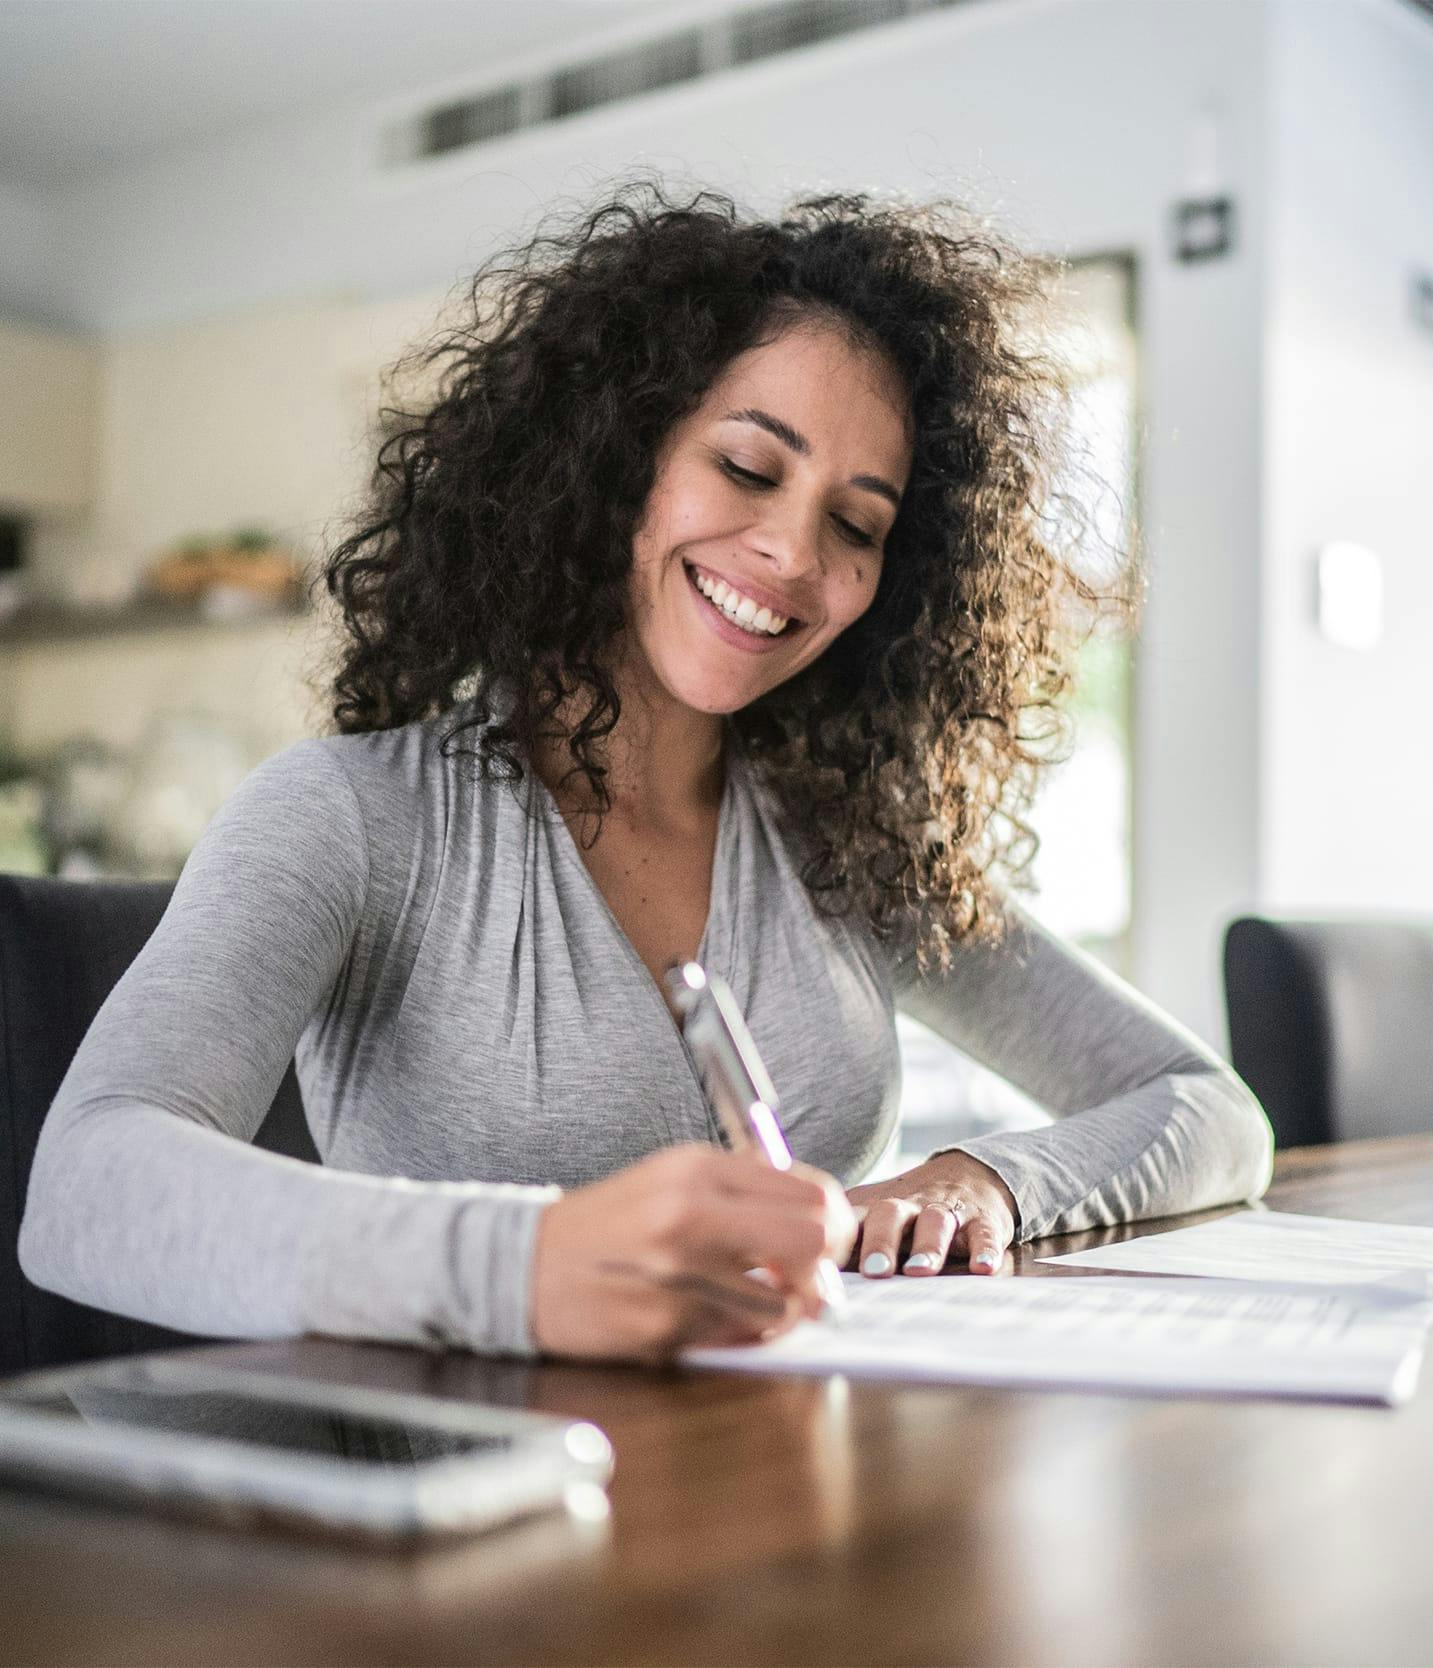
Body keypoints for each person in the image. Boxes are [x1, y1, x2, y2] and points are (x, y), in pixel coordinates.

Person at [19, 181, 1273, 1365]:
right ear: (616, 460)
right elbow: (84, 1186)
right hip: (471, 1539)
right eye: (745, 466)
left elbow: (1205, 1107)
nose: (789, 551)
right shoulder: (351, 819)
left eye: (857, 525)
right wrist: (526, 1263)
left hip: (792, 1505)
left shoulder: (847, 843)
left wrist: (991, 1181)